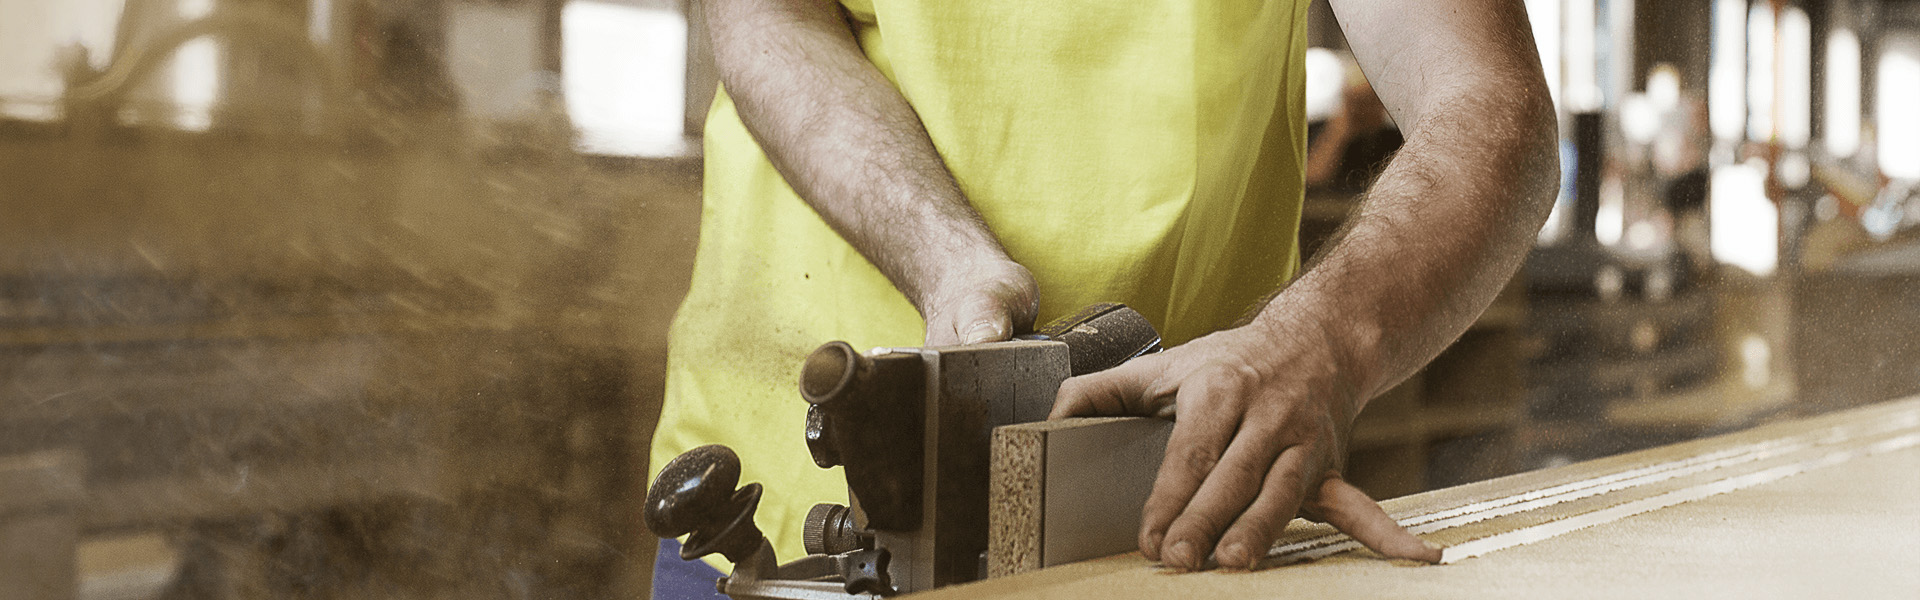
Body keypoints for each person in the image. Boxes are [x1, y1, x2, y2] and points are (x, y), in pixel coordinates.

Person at [648, 0, 1557, 593]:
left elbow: (1488, 105)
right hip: (777, 522)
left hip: (1163, 517)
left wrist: (1314, 343)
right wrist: (944, 256)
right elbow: (768, 15)